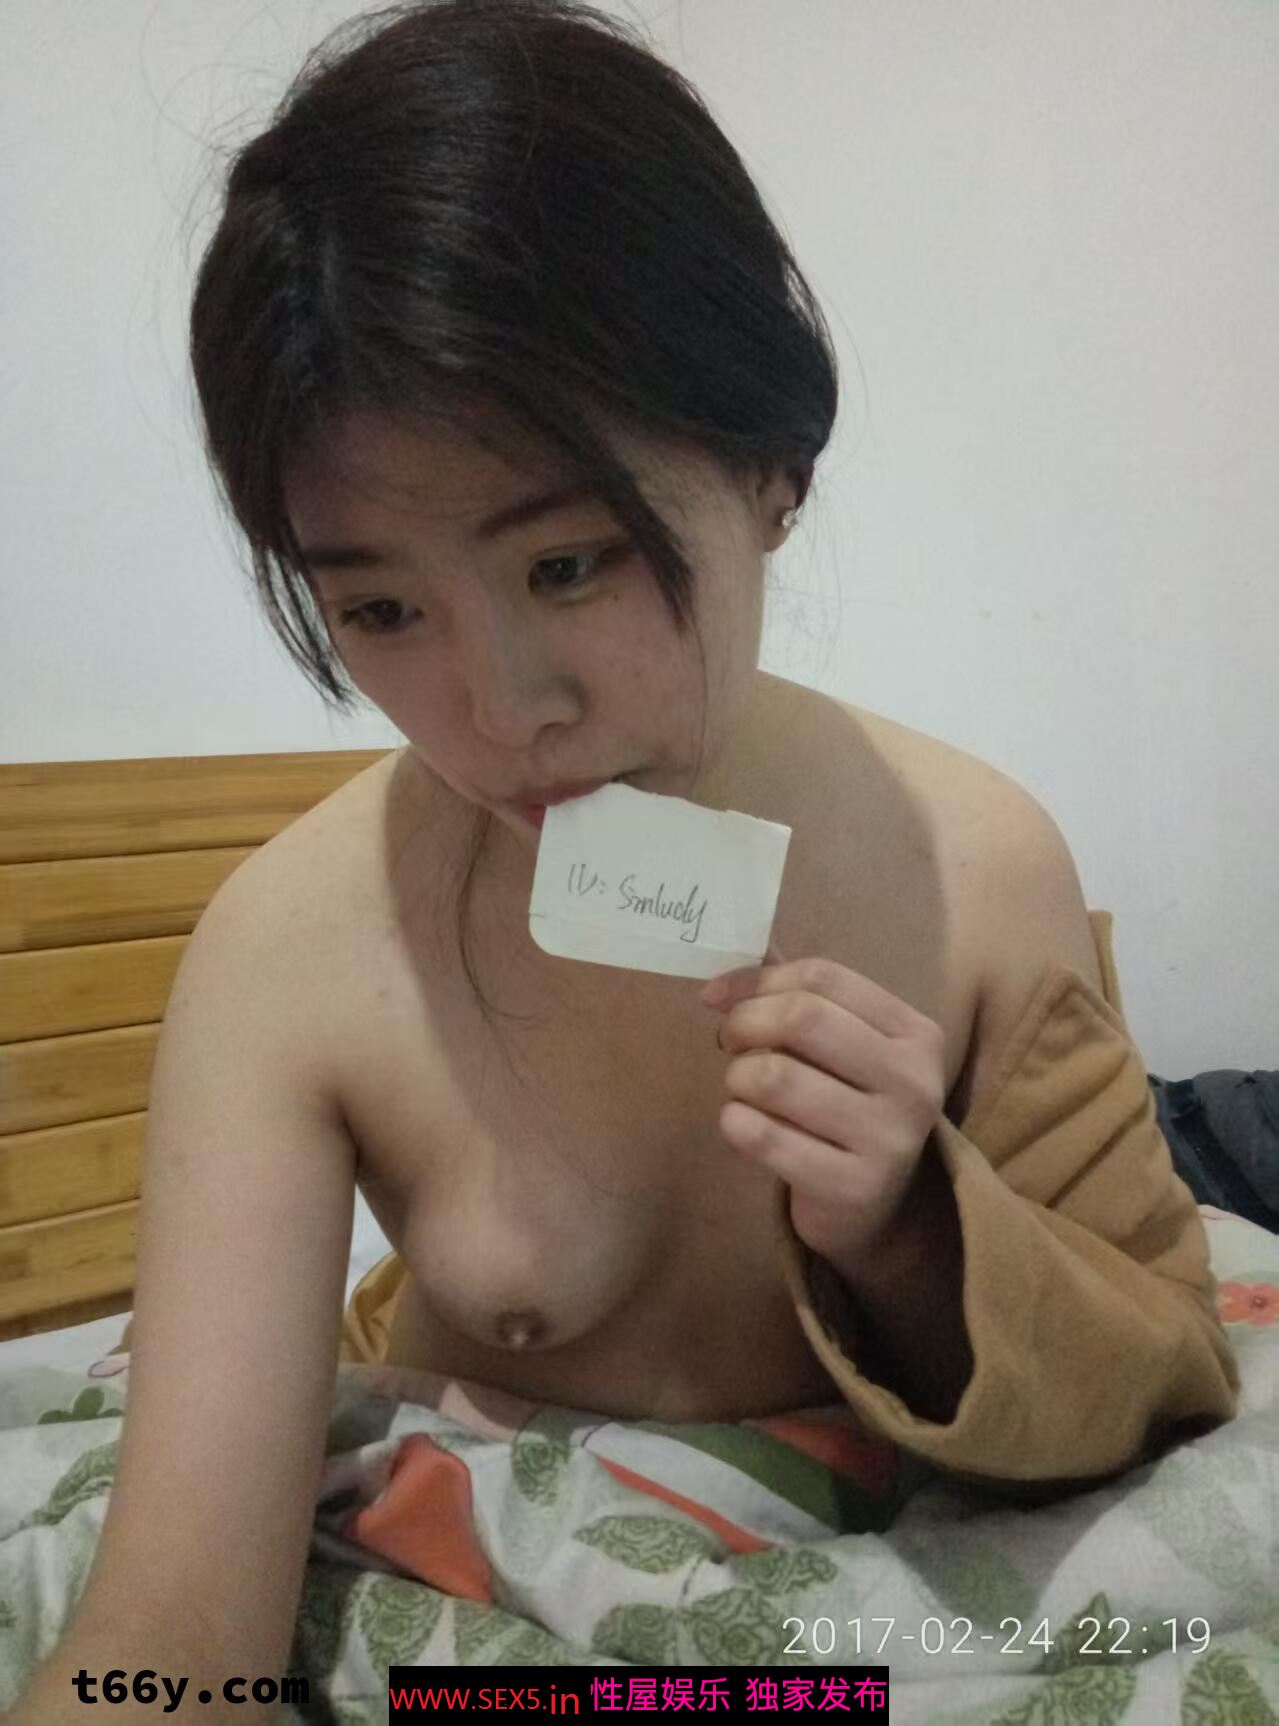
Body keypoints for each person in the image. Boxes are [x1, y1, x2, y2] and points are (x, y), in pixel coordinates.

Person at [11, 2, 1238, 1719]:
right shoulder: (290, 953)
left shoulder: (980, 869)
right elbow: (175, 1641)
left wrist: (907, 1231)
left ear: (772, 469)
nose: (504, 711)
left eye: (571, 563)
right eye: (382, 608)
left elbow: (1161, 1358)